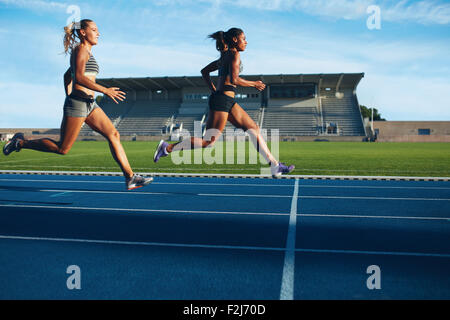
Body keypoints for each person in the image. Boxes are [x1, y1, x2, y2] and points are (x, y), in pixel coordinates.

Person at [3, 19, 152, 190]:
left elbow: (68, 76)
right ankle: (21, 143)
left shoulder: (87, 52)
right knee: (62, 148)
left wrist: (70, 93)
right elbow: (79, 77)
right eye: (94, 30)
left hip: (89, 104)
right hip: (78, 105)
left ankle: (130, 178)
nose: (98, 33)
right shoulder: (80, 50)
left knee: (113, 134)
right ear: (83, 32)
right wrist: (103, 91)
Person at [153, 28, 294, 178]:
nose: (246, 42)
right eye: (243, 39)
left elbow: (204, 71)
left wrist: (214, 89)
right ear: (234, 40)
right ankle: (167, 148)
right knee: (208, 142)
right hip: (222, 101)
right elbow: (233, 80)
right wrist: (254, 84)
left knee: (253, 128)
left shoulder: (224, 56)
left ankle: (274, 165)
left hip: (226, 100)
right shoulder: (234, 54)